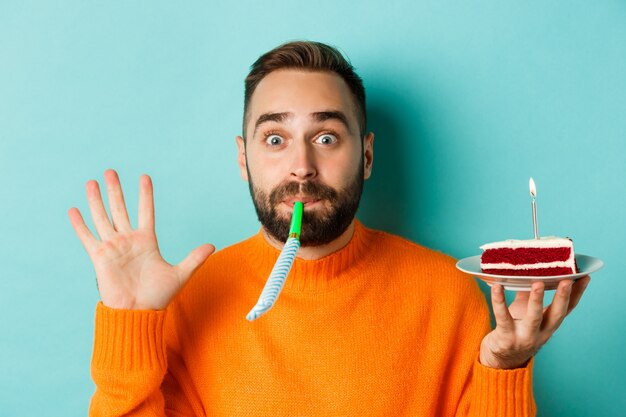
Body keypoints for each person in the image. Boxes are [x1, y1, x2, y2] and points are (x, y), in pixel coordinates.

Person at [68, 41, 590, 417]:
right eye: (274, 139)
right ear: (243, 159)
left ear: (365, 155)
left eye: (326, 137)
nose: (301, 166)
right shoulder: (190, 301)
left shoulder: (448, 293)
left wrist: (504, 367)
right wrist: (130, 324)